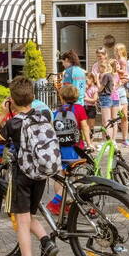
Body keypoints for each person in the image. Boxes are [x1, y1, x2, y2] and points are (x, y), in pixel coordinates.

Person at [0, 76, 58, 256]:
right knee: (27, 215)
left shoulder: (14, 123)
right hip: (41, 173)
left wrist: (2, 115)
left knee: (21, 220)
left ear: (12, 100)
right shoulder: (43, 115)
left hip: (22, 175)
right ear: (33, 98)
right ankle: (46, 242)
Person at [47, 83, 93, 216]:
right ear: (76, 96)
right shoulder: (79, 109)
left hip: (61, 149)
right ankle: (57, 203)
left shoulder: (57, 111)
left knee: (61, 177)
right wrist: (89, 143)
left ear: (62, 97)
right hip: (75, 148)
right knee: (76, 177)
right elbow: (84, 127)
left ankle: (62, 206)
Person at [113, 43, 129, 147]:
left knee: (123, 115)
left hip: (120, 89)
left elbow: (125, 75)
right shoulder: (115, 61)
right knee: (117, 116)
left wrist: (121, 78)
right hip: (116, 90)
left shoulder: (122, 60)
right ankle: (114, 139)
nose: (116, 52)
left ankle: (124, 139)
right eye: (115, 50)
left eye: (118, 50)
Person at [96, 54, 119, 142]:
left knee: (106, 122)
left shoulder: (106, 76)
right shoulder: (112, 75)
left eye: (100, 67)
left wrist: (97, 80)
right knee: (113, 121)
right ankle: (113, 141)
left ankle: (108, 142)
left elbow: (100, 88)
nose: (99, 69)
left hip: (105, 97)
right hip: (112, 97)